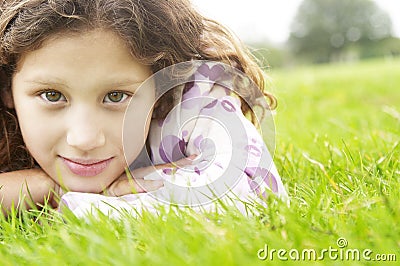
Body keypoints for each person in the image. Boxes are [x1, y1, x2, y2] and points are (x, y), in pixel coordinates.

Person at [0, 0, 287, 216]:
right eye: (51, 95)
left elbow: (256, 193)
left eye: (115, 96)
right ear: (6, 88)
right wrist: (38, 184)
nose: (85, 139)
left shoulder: (189, 95)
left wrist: (79, 205)